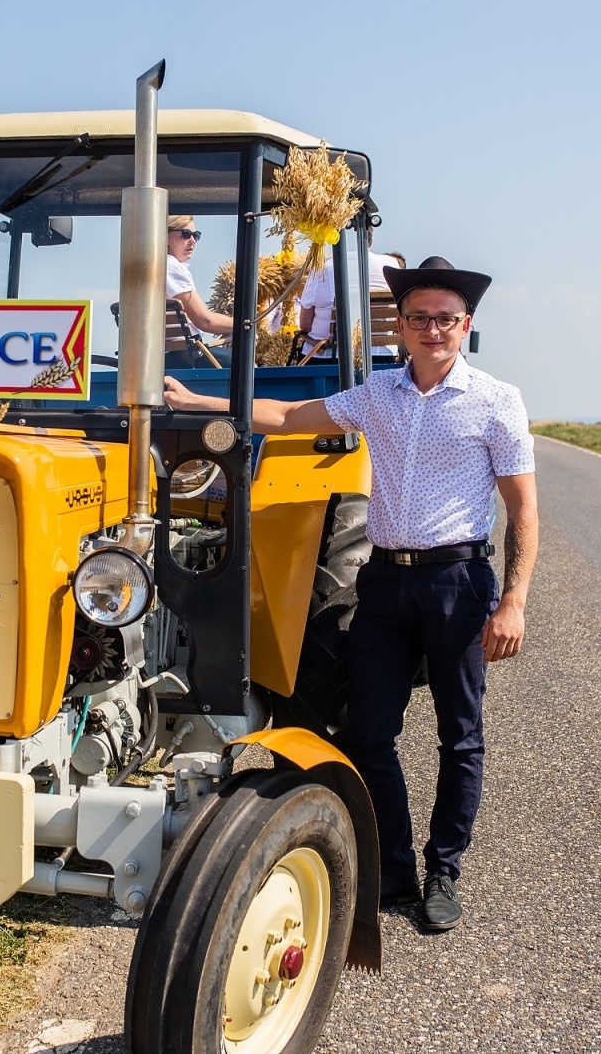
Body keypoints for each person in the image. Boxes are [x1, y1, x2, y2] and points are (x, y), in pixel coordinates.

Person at [163, 255, 539, 932]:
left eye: (444, 320)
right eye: (419, 318)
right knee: (367, 732)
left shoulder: (497, 400)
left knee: (461, 738)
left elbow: (524, 510)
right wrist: (200, 403)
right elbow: (283, 413)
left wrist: (513, 601)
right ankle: (393, 866)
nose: (431, 330)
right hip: (386, 583)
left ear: (465, 326)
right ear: (401, 326)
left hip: (458, 580)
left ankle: (443, 870)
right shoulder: (376, 395)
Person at [165, 215, 232, 368]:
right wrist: (244, 325)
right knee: (250, 367)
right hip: (187, 358)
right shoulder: (171, 266)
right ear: (164, 236)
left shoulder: (151, 265)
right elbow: (205, 321)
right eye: (186, 234)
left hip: (164, 358)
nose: (193, 241)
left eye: (196, 235)